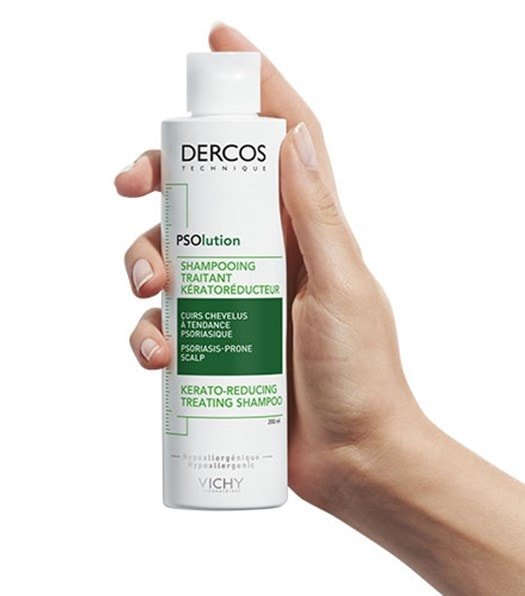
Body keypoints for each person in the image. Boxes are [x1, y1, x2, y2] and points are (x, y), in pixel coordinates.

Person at [114, 23, 525, 595]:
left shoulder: (262, 139)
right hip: (218, 398)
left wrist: (367, 443)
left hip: (277, 399)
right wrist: (362, 452)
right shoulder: (191, 138)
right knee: (185, 280)